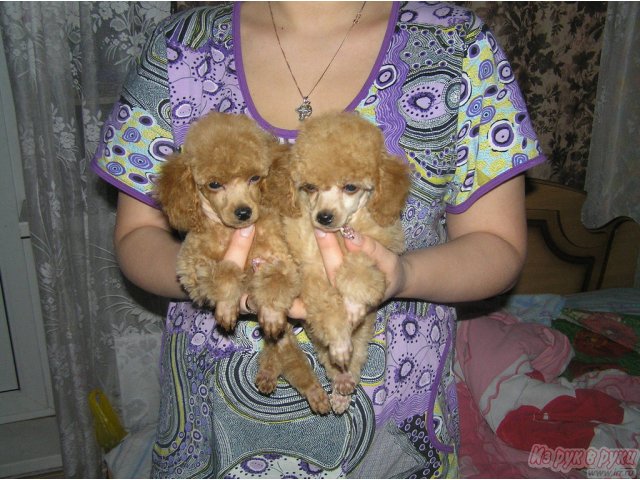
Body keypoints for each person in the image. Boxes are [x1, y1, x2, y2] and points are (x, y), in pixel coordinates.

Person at [92, 2, 545, 477]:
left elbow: (499, 246)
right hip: (212, 427)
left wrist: (401, 274)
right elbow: (137, 236)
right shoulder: (177, 47)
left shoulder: (459, 44)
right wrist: (221, 281)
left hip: (392, 426)